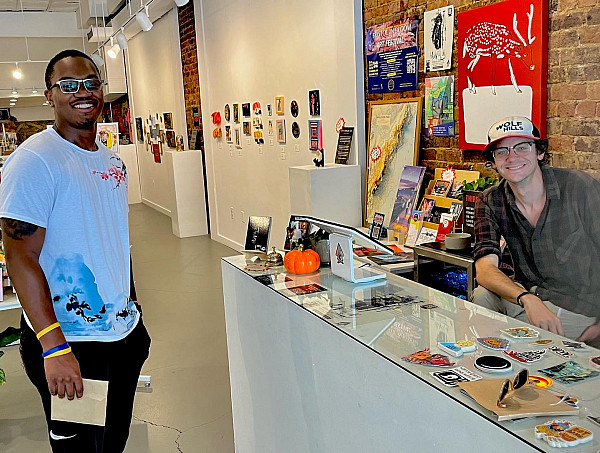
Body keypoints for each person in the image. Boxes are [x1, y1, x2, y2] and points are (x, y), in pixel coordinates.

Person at [0, 49, 151, 452]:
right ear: (50, 95)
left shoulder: (112, 161)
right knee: (82, 449)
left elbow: (115, 240)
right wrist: (53, 346)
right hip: (73, 344)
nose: (81, 92)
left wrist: (132, 309)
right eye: (68, 85)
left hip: (121, 337)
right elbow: (20, 256)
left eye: (90, 83)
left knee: (113, 441)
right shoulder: (34, 161)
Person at [472, 116, 600, 348]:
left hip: (580, 306)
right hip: (530, 296)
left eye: (522, 147)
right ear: (493, 162)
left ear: (539, 152)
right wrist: (526, 298)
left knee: (521, 343)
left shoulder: (579, 188)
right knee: (482, 296)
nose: (512, 158)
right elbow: (484, 270)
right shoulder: (491, 200)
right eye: (501, 152)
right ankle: (491, 361)